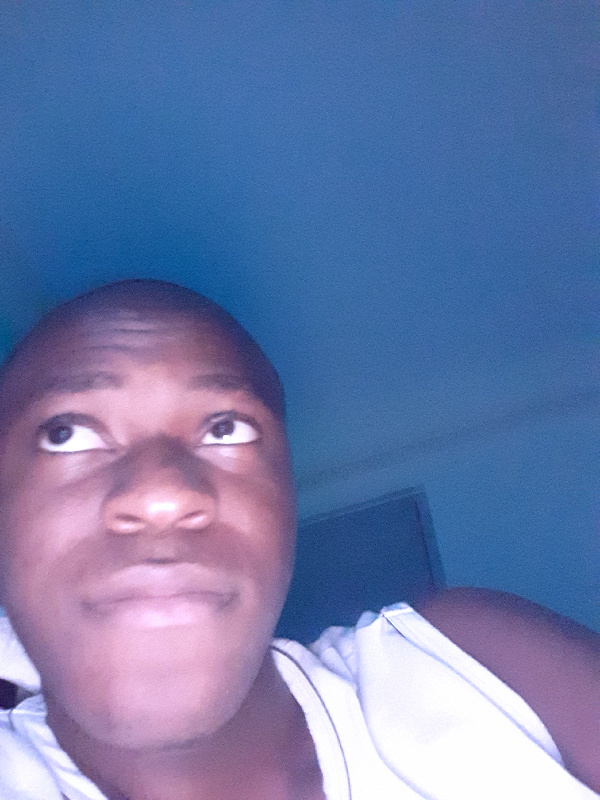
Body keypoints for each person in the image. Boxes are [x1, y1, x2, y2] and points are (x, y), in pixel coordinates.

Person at [0, 279, 597, 800]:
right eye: (64, 434)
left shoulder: (472, 666)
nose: (162, 495)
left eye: (226, 428)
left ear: (286, 498)